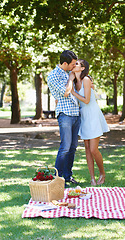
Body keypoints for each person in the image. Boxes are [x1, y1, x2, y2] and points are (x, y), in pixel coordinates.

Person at [71, 59, 110, 186]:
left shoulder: (86, 80)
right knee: (87, 149)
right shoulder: (74, 81)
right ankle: (92, 178)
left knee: (93, 149)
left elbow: (86, 100)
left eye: (76, 64)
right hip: (83, 116)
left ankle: (102, 173)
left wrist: (72, 92)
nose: (74, 65)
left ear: (82, 68)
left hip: (92, 114)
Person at [47, 50, 81, 187]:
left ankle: (68, 176)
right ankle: (58, 179)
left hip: (75, 113)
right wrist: (71, 78)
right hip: (65, 114)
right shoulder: (54, 75)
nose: (74, 66)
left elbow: (77, 91)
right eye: (72, 64)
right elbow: (66, 92)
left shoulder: (68, 73)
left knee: (73, 147)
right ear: (65, 63)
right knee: (65, 147)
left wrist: (74, 76)